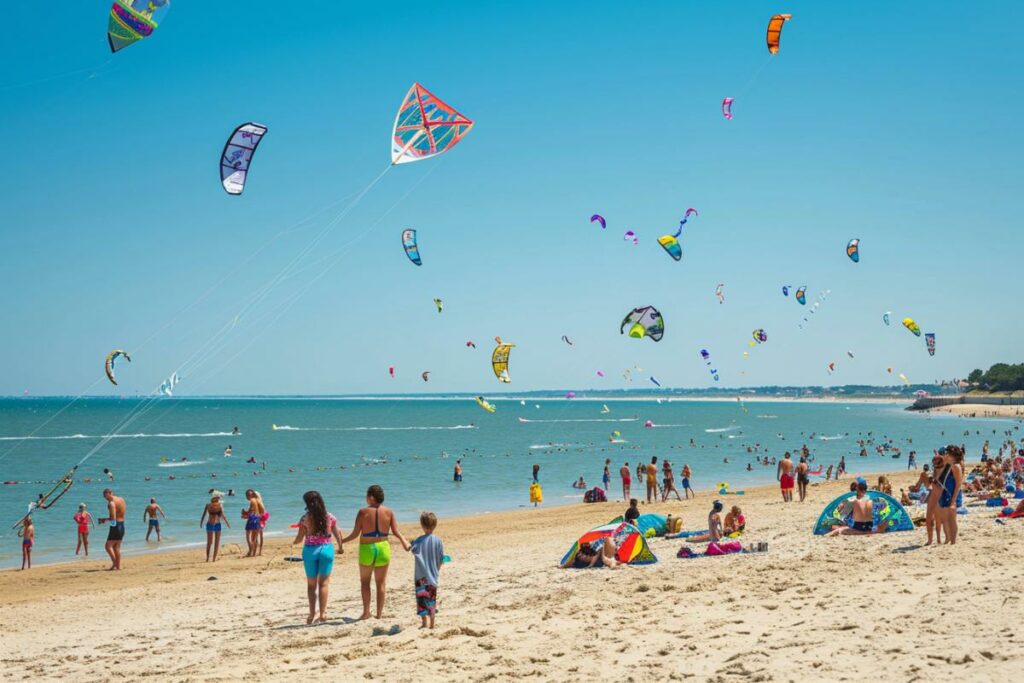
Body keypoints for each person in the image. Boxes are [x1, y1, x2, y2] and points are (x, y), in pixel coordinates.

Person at [340, 485, 411, 620]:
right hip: (383, 548)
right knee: (381, 583)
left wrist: (342, 541)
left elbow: (355, 534)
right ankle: (379, 614)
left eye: (367, 496)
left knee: (365, 582)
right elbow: (396, 532)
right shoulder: (389, 512)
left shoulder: (362, 512)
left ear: (371, 497)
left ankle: (366, 612)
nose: (366, 498)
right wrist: (404, 542)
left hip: (367, 548)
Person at [292, 490, 343, 625]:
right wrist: (340, 546)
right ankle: (323, 613)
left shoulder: (305, 518)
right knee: (324, 584)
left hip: (310, 551)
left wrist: (294, 542)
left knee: (311, 585)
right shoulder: (330, 517)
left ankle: (311, 614)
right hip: (326, 550)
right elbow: (337, 533)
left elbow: (299, 537)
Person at [409, 511, 444, 630]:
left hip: (421, 576)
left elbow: (412, 550)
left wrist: (410, 542)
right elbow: (440, 559)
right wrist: (436, 570)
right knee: (431, 601)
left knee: (421, 600)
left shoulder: (419, 540)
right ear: (435, 525)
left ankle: (424, 623)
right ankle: (432, 624)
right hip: (433, 576)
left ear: (422, 525)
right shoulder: (438, 541)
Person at [937, 445, 964, 545]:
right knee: (944, 518)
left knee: (951, 518)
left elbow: (958, 484)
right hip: (944, 492)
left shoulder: (956, 466)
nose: (945, 454)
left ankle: (953, 541)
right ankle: (947, 538)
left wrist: (953, 499)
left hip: (952, 493)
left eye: (947, 453)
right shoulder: (945, 465)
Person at [99, 488, 126, 570]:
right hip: (122, 524)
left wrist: (104, 520)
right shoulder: (121, 499)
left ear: (110, 493)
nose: (105, 498)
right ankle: (117, 566)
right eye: (104, 496)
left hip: (115, 525)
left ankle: (115, 563)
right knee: (116, 547)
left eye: (106, 496)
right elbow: (122, 511)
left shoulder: (111, 503)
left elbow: (113, 518)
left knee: (108, 546)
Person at [200, 493, 230, 562]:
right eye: (216, 498)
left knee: (216, 542)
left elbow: (223, 515)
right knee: (210, 542)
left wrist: (227, 523)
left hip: (217, 524)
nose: (217, 499)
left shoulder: (219, 506)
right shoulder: (208, 505)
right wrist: (201, 522)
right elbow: (204, 514)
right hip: (211, 524)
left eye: (217, 498)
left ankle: (213, 558)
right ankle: (208, 558)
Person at [242, 489, 266, 557]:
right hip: (258, 518)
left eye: (247, 495)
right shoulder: (257, 500)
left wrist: (245, 513)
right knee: (255, 537)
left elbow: (250, 512)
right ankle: (254, 553)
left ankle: (251, 551)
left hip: (253, 519)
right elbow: (259, 511)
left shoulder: (252, 501)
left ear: (248, 495)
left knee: (249, 536)